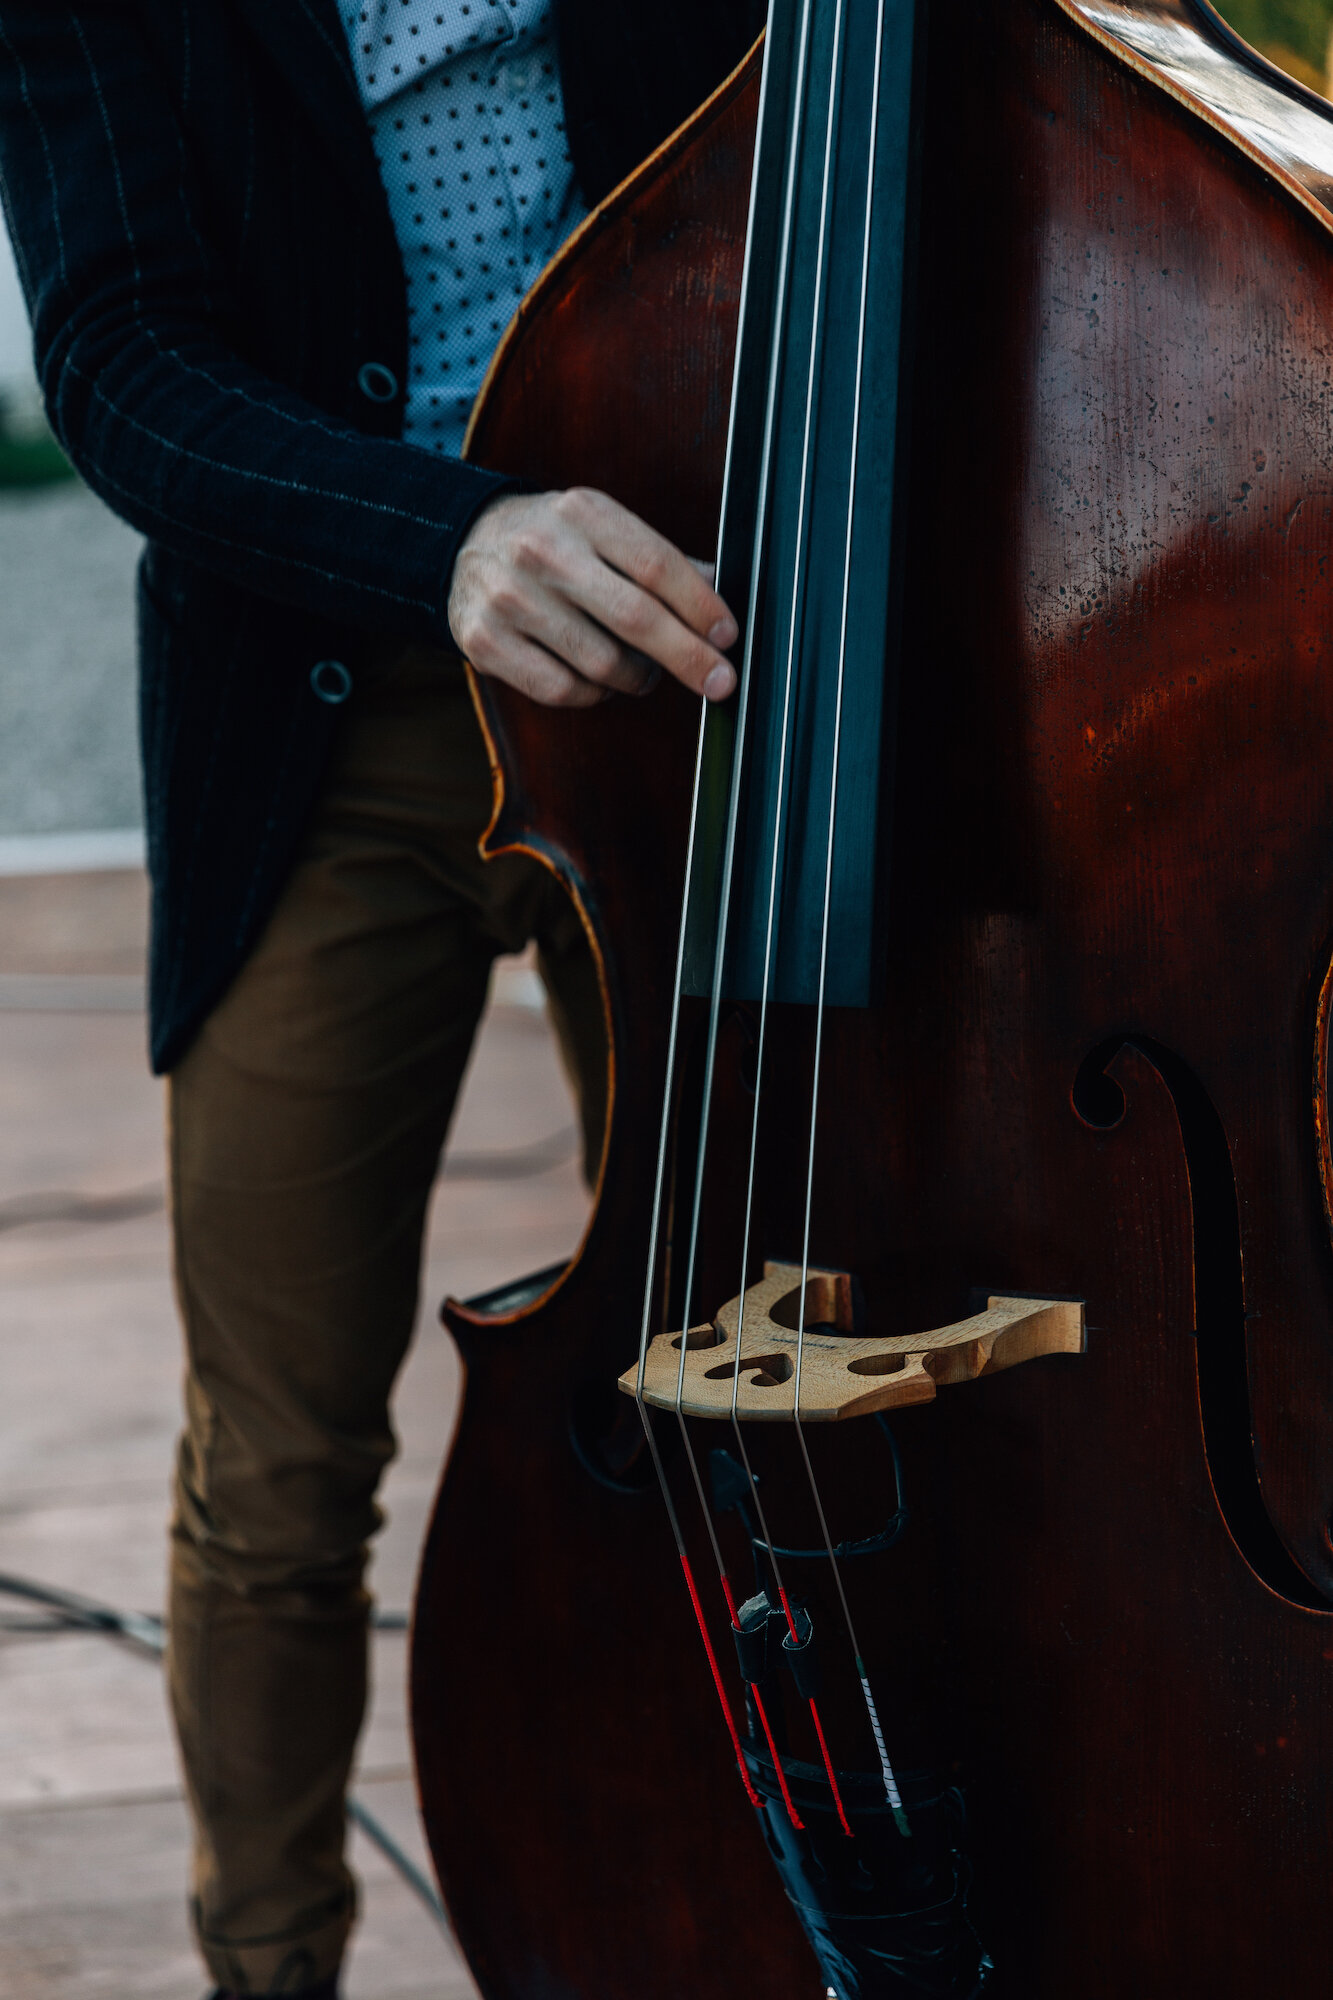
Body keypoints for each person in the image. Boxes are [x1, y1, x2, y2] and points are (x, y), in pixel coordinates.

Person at [0, 3, 764, 1993]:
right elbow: (118, 358)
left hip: (710, 689)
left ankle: (758, 1913)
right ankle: (272, 1966)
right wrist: (444, 539)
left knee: (751, 1380)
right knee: (276, 1453)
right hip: (322, 720)